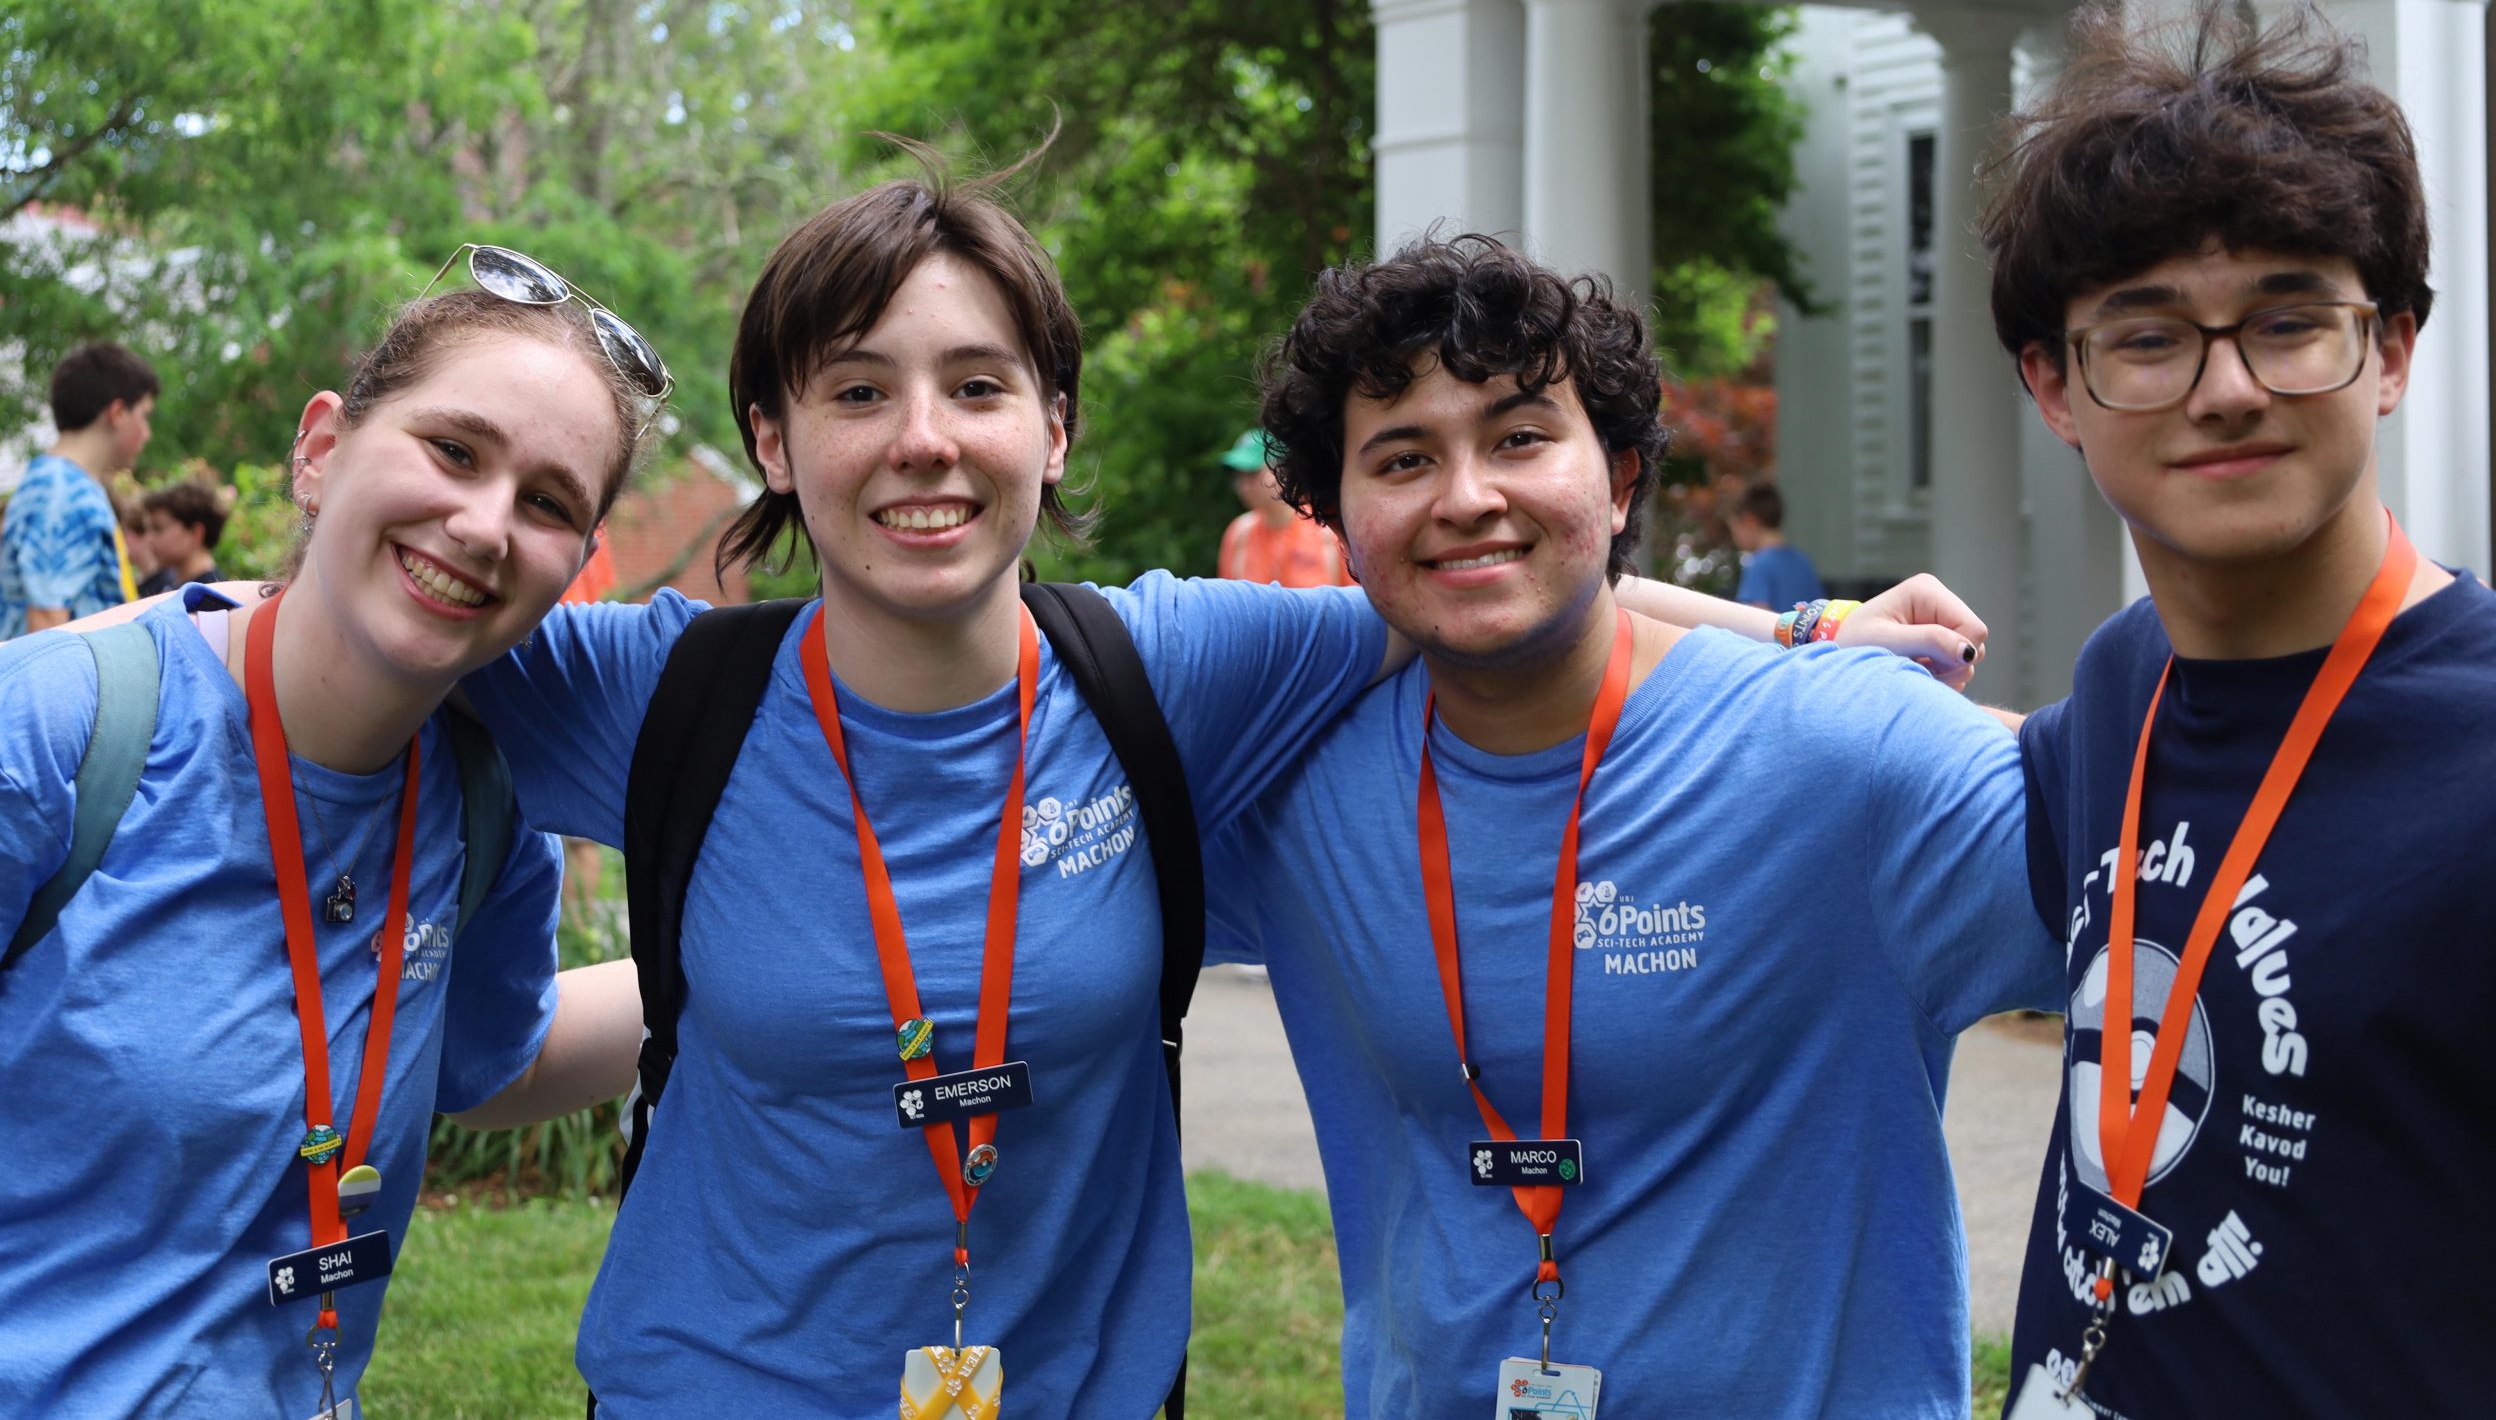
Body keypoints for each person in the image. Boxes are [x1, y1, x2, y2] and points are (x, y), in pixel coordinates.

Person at [442, 163, 1985, 1418]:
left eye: (977, 384)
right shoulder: (656, 690)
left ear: (1053, 427)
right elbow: (387, 626)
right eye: (857, 391)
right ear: (773, 440)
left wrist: (1804, 628)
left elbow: (1476, 565)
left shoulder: (1173, 669)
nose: (923, 439)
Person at [1205, 233, 2052, 1419]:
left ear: (1616, 479)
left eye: (1518, 437)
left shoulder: (1845, 749)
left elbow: (2193, 891)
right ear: (1337, 518)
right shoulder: (1293, 783)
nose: (1466, 496)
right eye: (1402, 458)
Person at [1983, 0, 2496, 1415]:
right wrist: (1799, 623)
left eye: (2291, 322)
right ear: (2055, 386)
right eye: (2148, 337)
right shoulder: (2120, 686)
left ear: (2394, 349)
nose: (2227, 388)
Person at [0, 265, 663, 1418]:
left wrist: (772, 960)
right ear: (320, 452)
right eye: (453, 449)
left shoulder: (485, 805)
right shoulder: (55, 735)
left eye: (548, 502)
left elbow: (493, 1063)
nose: (484, 524)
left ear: (579, 561)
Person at [0, 341, 157, 637]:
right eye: (145, 416)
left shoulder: (61, 484)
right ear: (118, 412)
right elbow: (47, 623)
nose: (147, 433)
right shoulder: (62, 493)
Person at [1215, 425, 1350, 586]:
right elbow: (1229, 598)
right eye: (1238, 476)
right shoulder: (1239, 534)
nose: (1243, 486)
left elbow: (1356, 598)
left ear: (1282, 471)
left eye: (1252, 473)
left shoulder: (1327, 530)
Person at [1729, 478, 1825, 609]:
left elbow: (1756, 614)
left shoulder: (1758, 566)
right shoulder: (1803, 561)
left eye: (1734, 529)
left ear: (1749, 521)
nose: (1734, 538)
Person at [139, 476, 231, 593]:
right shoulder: (169, 585)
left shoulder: (210, 595)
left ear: (195, 533)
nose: (149, 539)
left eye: (158, 528)